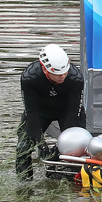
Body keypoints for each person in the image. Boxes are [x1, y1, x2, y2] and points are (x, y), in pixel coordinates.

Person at [16, 44, 86, 180]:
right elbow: (32, 114)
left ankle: (69, 178)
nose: (63, 77)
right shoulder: (29, 77)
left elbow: (73, 114)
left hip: (66, 109)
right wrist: (41, 145)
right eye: (58, 74)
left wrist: (59, 146)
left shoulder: (75, 78)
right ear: (45, 69)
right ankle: (25, 184)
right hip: (40, 110)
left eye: (65, 72)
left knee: (76, 145)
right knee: (23, 146)